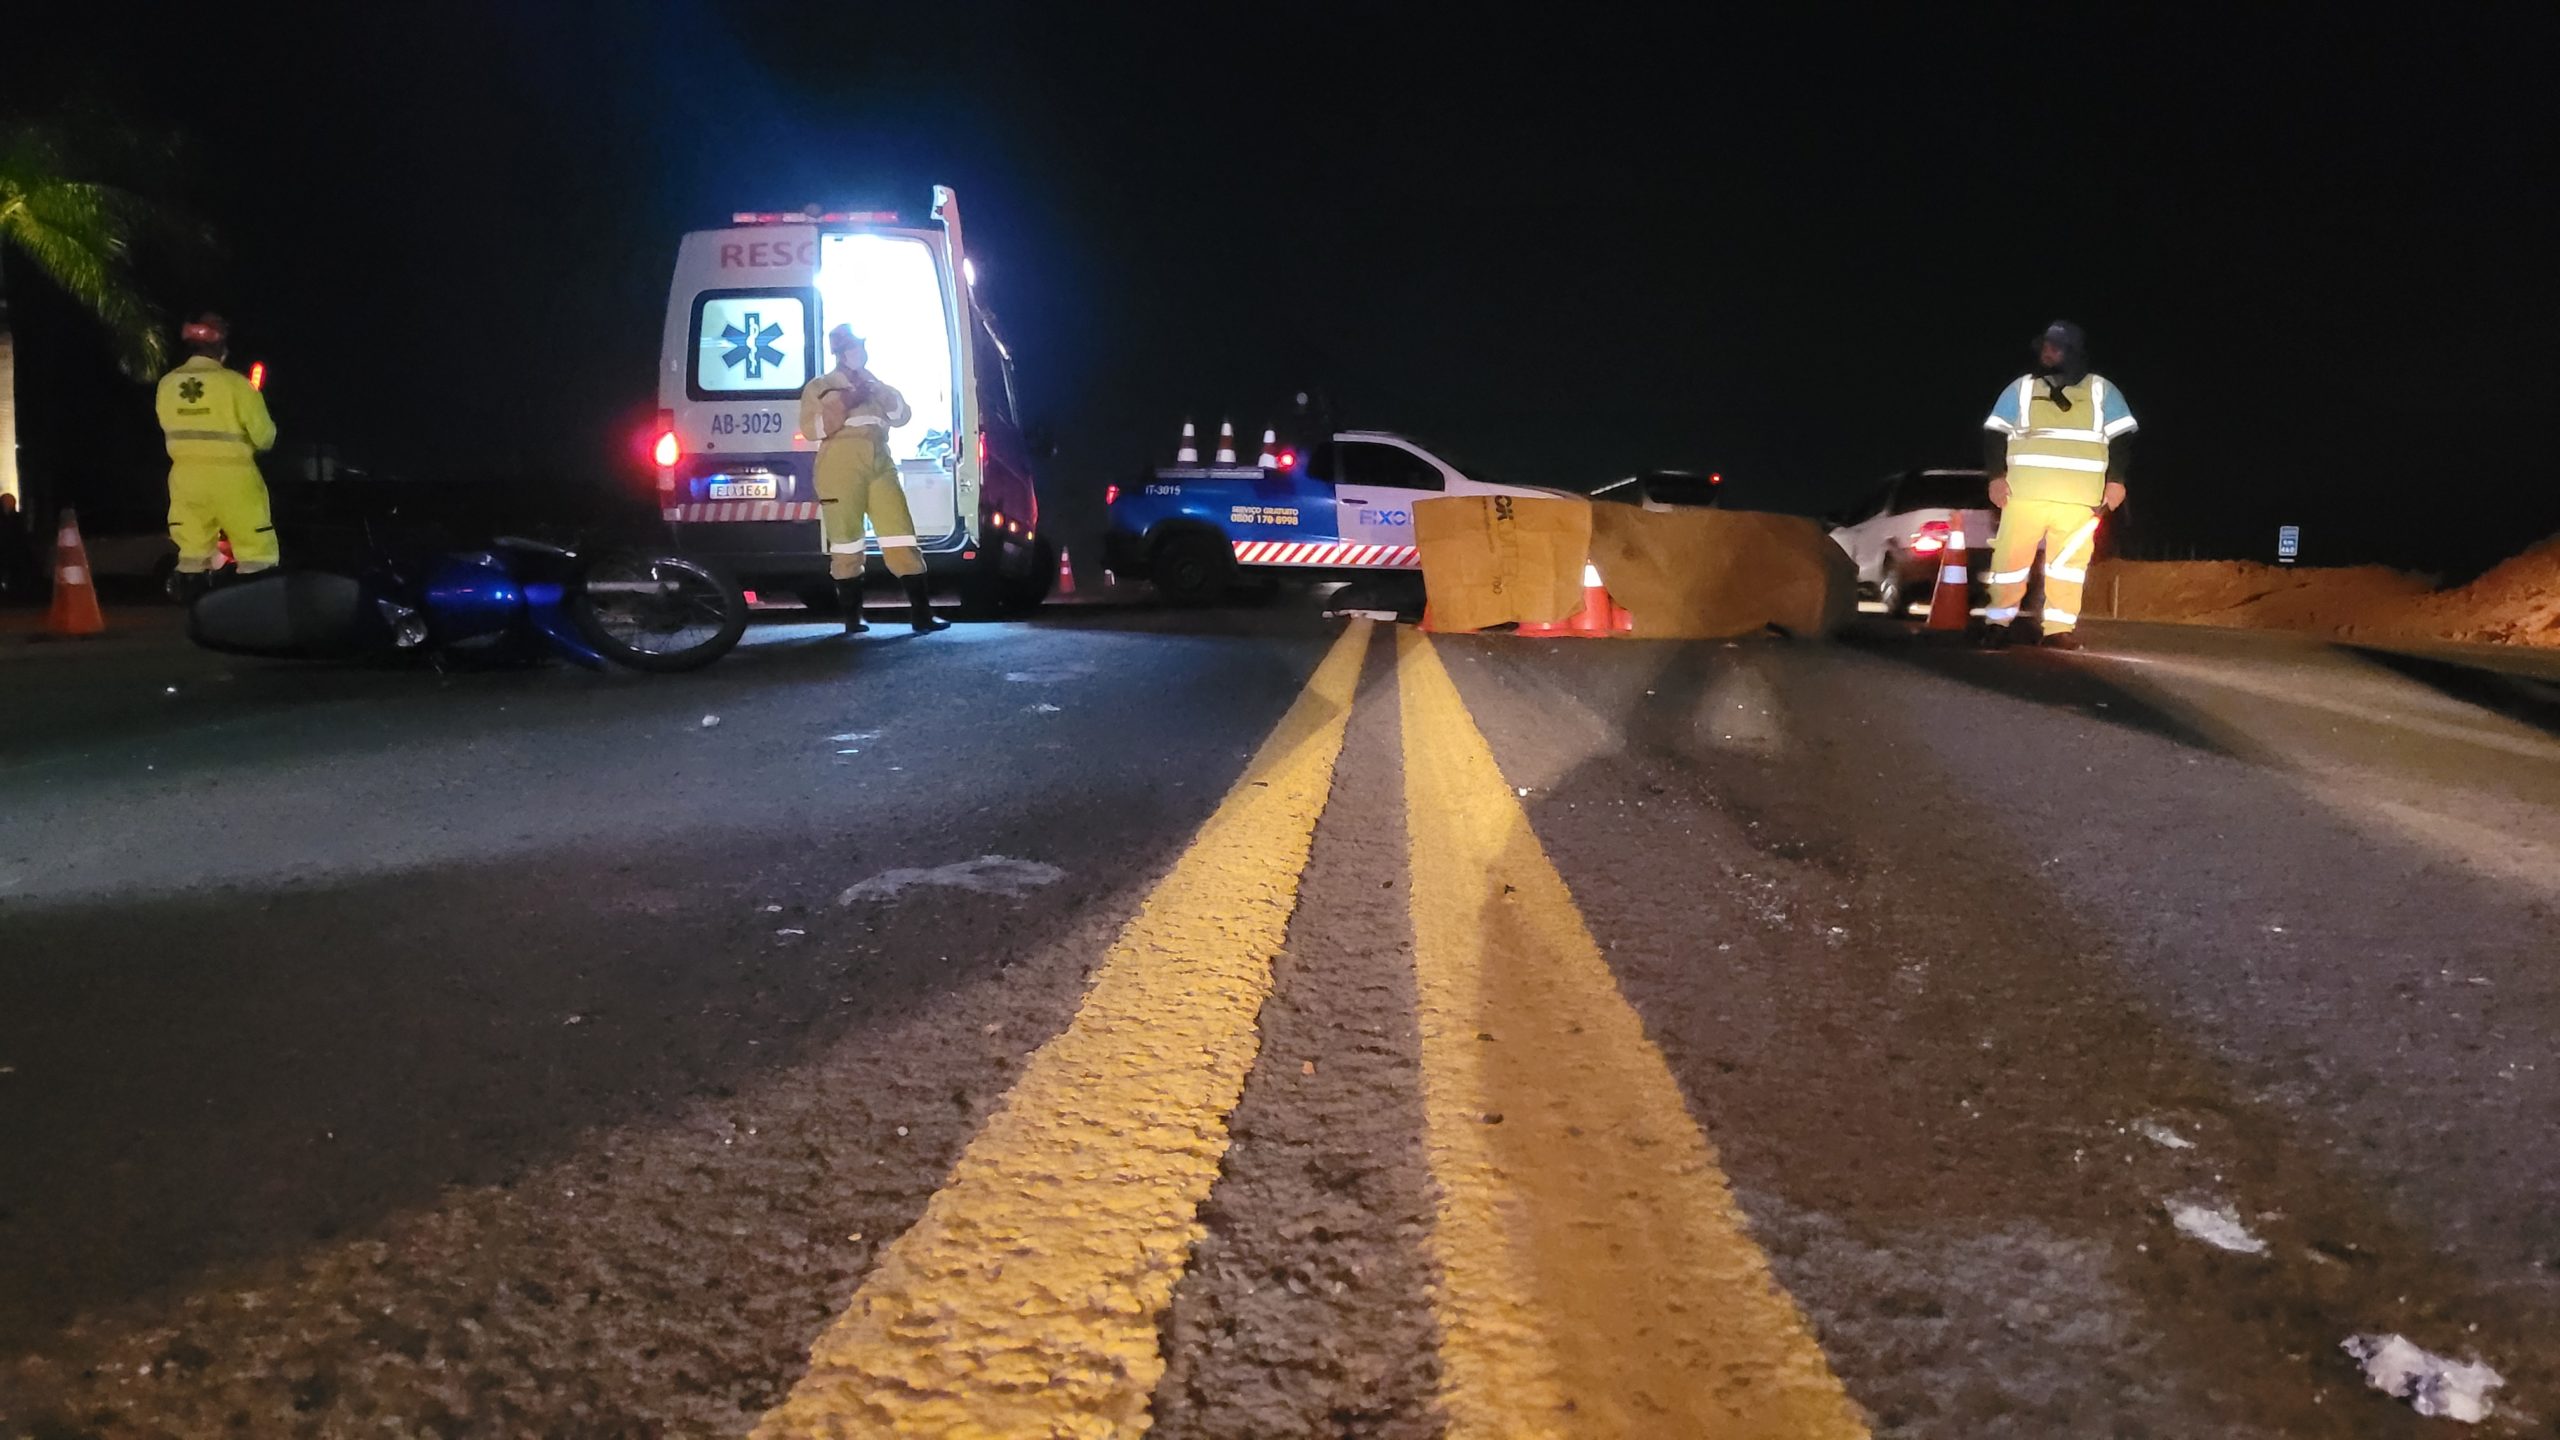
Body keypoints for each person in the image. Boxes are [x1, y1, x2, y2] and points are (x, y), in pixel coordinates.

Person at [1978, 320, 2136, 650]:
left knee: (2068, 568)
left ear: (2074, 353)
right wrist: (1996, 477)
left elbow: (2122, 438)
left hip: (2079, 502)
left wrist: (2117, 481)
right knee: (2009, 562)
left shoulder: (2101, 390)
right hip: (2024, 497)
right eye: (2045, 346)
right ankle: (1998, 622)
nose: (2046, 352)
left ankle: (2058, 630)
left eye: (2055, 347)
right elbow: (1995, 431)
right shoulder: (2022, 388)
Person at [798, 325, 947, 635]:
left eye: (860, 347)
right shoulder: (820, 387)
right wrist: (846, 402)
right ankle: (853, 619)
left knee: (901, 534)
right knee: (847, 541)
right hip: (839, 465)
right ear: (839, 354)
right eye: (852, 348)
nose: (858, 353)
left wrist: (876, 390)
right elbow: (812, 429)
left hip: (880, 461)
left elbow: (901, 416)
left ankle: (922, 613)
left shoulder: (876, 384)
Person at [154, 313, 278, 600]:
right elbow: (265, 437)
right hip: (234, 479)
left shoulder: (167, 385)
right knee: (256, 550)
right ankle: (256, 610)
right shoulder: (236, 385)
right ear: (220, 347)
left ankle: (196, 611)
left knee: (192, 553)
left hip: (185, 480)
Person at [0, 492, 32, 602]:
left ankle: (16, 594)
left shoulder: (17, 518)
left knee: (16, 573)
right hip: (4, 550)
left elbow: (21, 535)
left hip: (15, 551)